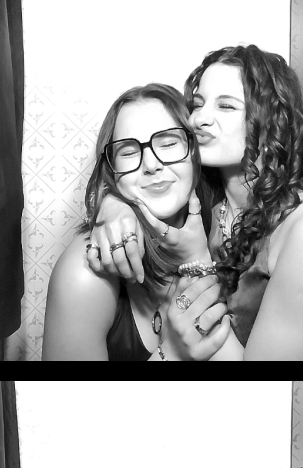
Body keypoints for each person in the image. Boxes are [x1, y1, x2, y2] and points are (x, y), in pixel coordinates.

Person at [87, 45, 303, 361]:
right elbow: (132, 169)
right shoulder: (205, 204)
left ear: (272, 122)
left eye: (226, 106)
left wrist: (195, 260)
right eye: (197, 104)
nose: (199, 119)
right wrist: (114, 207)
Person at [42, 83, 232, 361]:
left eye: (168, 143)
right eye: (129, 152)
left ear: (195, 152)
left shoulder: (229, 233)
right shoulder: (84, 274)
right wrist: (173, 354)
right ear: (112, 172)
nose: (151, 164)